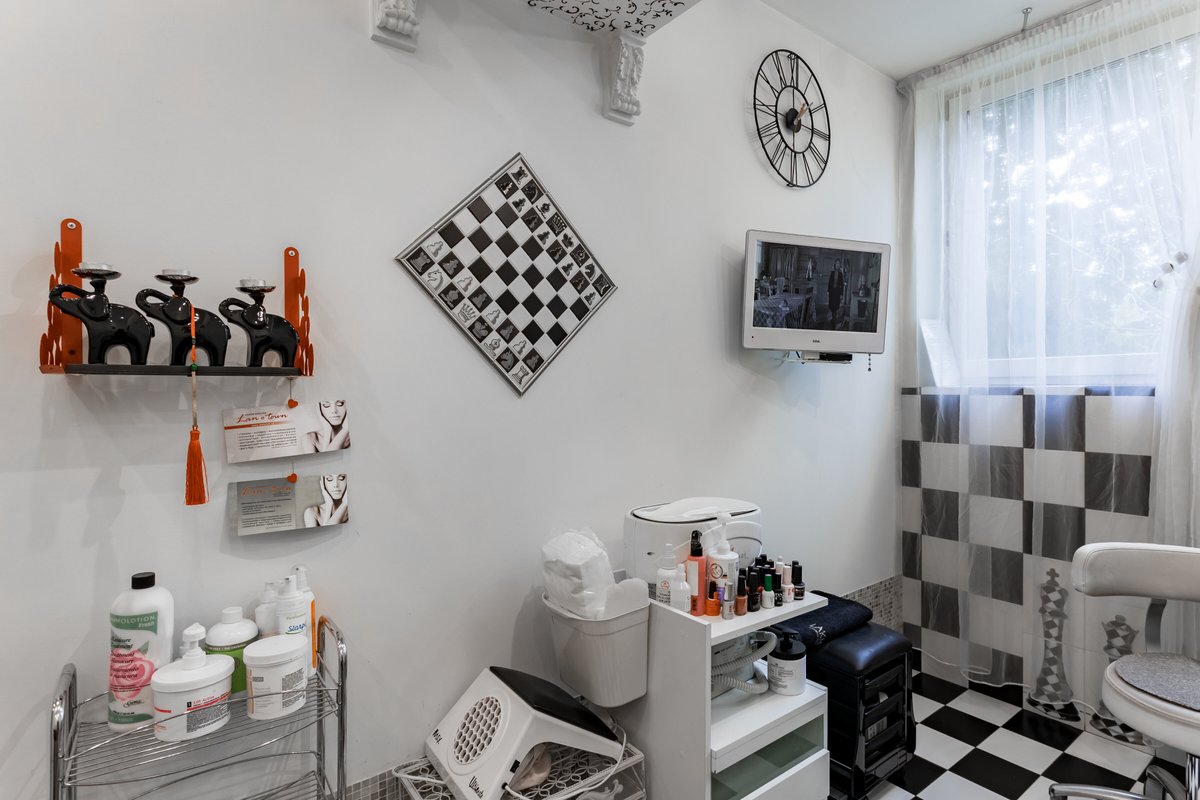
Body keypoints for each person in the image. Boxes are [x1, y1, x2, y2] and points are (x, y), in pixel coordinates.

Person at [827, 259, 846, 328]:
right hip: (832, 292)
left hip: (837, 292)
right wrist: (828, 291)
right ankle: (833, 317)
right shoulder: (832, 273)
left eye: (838, 263)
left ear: (839, 265)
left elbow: (842, 285)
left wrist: (841, 294)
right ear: (835, 264)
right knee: (831, 305)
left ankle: (834, 320)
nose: (837, 264)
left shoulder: (841, 274)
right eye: (836, 263)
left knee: (836, 305)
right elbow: (829, 282)